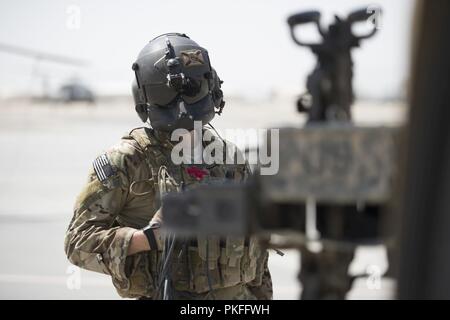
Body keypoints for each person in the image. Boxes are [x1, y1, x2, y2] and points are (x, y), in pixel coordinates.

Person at [64, 33, 272, 300]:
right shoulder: (128, 161)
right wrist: (146, 239)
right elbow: (78, 243)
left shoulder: (228, 158)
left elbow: (256, 256)